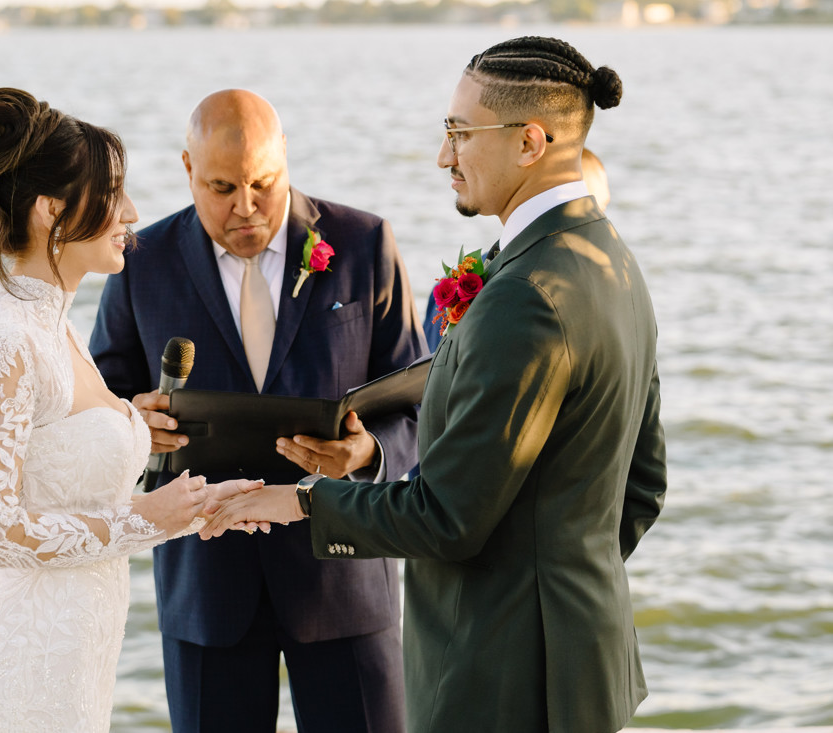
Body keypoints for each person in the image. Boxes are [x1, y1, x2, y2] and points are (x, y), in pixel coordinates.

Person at [203, 36, 668, 733]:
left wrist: (296, 497)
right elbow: (643, 485)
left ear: (530, 142)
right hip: (580, 665)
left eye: (458, 133)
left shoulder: (527, 297)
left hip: (506, 679)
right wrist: (566, 584)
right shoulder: (610, 258)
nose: (443, 156)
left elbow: (444, 516)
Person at [90, 89, 424, 733]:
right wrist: (134, 426)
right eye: (221, 187)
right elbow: (103, 401)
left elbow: (419, 405)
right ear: (187, 168)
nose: (246, 207)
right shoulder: (139, 263)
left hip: (345, 577)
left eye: (263, 184)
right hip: (206, 585)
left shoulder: (364, 243)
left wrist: (368, 452)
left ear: (286, 159)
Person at [0, 88, 256, 732]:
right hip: (18, 672)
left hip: (73, 666)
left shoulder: (55, 326)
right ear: (52, 211)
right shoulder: (4, 339)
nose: (132, 212)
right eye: (113, 195)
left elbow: (64, 485)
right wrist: (145, 522)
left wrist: (196, 508)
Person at [421, 146, 611, 351]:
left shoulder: (453, 283)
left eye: (602, 209)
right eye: (592, 210)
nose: (600, 222)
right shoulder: (543, 288)